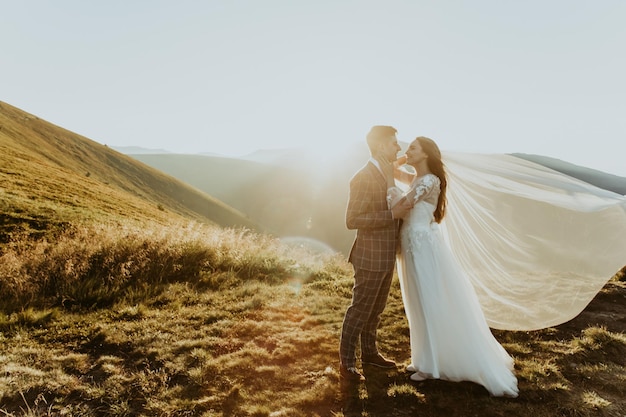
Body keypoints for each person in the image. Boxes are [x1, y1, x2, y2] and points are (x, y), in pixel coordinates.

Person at [390, 136, 519, 397]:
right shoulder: (417, 179)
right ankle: (424, 358)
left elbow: (400, 208)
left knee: (427, 300)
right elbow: (391, 170)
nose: (407, 150)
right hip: (413, 244)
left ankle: (431, 365)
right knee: (416, 301)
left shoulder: (428, 181)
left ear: (426, 154)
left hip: (421, 246)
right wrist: (405, 158)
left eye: (413, 148)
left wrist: (387, 203)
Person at [338, 125, 413, 382]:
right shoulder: (363, 176)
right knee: (360, 309)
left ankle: (370, 353)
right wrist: (392, 215)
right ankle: (346, 364)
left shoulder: (387, 171)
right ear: (381, 145)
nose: (398, 147)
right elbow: (352, 219)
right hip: (369, 256)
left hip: (387, 254)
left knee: (377, 309)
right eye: (394, 143)